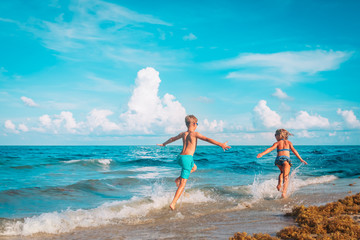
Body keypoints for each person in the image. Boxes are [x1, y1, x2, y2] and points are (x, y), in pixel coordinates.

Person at [157, 115, 230, 210]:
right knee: (183, 184)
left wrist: (164, 144)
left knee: (194, 168)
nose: (197, 126)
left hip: (180, 158)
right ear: (194, 124)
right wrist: (221, 144)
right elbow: (207, 139)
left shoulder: (183, 134)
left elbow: (172, 138)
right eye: (197, 124)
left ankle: (178, 179)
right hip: (187, 158)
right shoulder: (195, 134)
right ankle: (173, 203)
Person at [257, 129, 307, 198]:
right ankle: (284, 193)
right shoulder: (289, 143)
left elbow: (270, 149)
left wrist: (262, 154)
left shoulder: (277, 143)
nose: (275, 136)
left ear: (280, 135)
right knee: (286, 177)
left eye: (275, 135)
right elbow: (294, 151)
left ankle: (279, 184)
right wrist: (301, 159)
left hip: (278, 160)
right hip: (286, 160)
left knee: (282, 172)